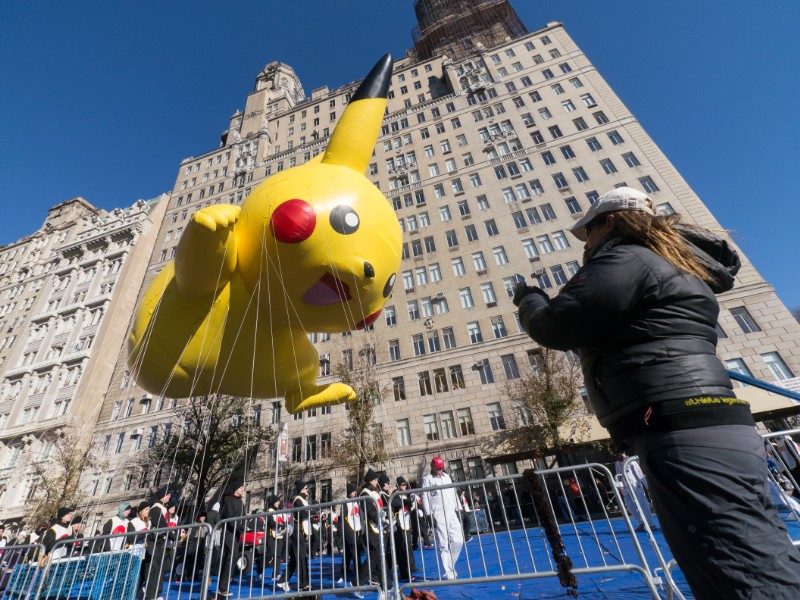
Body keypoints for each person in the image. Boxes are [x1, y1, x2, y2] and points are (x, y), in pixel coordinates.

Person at [514, 186, 800, 599]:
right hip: (704, 427)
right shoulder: (667, 265)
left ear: (609, 222)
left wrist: (531, 300)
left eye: (589, 232)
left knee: (739, 574)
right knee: (754, 557)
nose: (587, 244)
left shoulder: (626, 258)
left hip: (682, 434)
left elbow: (555, 326)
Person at [422, 457, 463, 580]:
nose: (440, 471)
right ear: (433, 467)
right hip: (438, 515)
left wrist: (459, 508)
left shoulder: (446, 477)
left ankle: (451, 565)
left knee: (458, 540)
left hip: (451, 513)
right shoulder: (427, 480)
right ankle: (448, 572)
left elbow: (453, 492)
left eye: (441, 468)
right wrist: (428, 514)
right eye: (438, 468)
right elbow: (425, 496)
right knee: (444, 544)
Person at [277, 481, 311, 593]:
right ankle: (303, 584)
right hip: (297, 533)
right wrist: (311, 512)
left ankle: (282, 580)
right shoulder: (298, 500)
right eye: (306, 488)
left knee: (296, 560)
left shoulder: (302, 501)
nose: (308, 490)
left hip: (300, 533)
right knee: (301, 559)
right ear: (301, 489)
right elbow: (303, 515)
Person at [215, 479, 245, 599]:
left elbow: (243, 516)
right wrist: (241, 526)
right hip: (229, 533)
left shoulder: (241, 502)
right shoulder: (229, 501)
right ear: (236, 489)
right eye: (241, 487)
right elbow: (230, 518)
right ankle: (222, 587)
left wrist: (244, 526)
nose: (243, 489)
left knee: (232, 558)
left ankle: (224, 585)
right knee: (230, 557)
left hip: (236, 533)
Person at [144, 487, 176, 600]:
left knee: (161, 568)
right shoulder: (156, 507)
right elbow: (158, 522)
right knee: (155, 568)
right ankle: (151, 594)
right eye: (167, 495)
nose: (169, 497)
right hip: (155, 541)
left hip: (161, 541)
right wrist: (171, 533)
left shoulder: (162, 507)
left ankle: (156, 592)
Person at [358, 469, 386, 587]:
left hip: (375, 527)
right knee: (375, 555)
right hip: (370, 528)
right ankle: (358, 582)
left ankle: (386, 584)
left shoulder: (371, 493)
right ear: (370, 481)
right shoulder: (365, 493)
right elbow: (370, 511)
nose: (376, 482)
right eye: (375, 480)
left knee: (379, 556)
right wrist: (381, 522)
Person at [615, 453, 657, 532]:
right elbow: (618, 475)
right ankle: (641, 522)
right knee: (629, 506)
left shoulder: (632, 462)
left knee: (643, 504)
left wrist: (647, 486)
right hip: (625, 487)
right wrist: (619, 487)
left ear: (625, 453)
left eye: (622, 453)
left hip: (635, 485)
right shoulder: (617, 463)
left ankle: (651, 524)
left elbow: (639, 474)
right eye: (619, 454)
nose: (620, 455)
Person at [337, 483, 363, 592]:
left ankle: (345, 570)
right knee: (354, 551)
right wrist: (344, 532)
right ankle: (359, 571)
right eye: (353, 491)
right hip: (349, 529)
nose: (355, 493)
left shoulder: (356, 502)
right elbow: (343, 518)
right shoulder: (346, 503)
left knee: (348, 552)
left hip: (356, 528)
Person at [392, 477, 417, 581]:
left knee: (409, 546)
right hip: (399, 523)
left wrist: (411, 503)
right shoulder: (395, 493)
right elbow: (395, 503)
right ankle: (404, 569)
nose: (404, 487)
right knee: (402, 547)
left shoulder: (407, 493)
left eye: (405, 485)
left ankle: (412, 566)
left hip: (407, 521)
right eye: (402, 485)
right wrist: (406, 501)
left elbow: (411, 505)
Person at [264, 496, 286, 581]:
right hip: (271, 535)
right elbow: (271, 522)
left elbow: (282, 522)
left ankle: (275, 574)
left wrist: (283, 526)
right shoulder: (269, 511)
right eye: (277, 501)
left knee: (278, 555)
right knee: (271, 554)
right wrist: (279, 526)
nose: (278, 503)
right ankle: (260, 568)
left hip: (279, 535)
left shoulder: (279, 512)